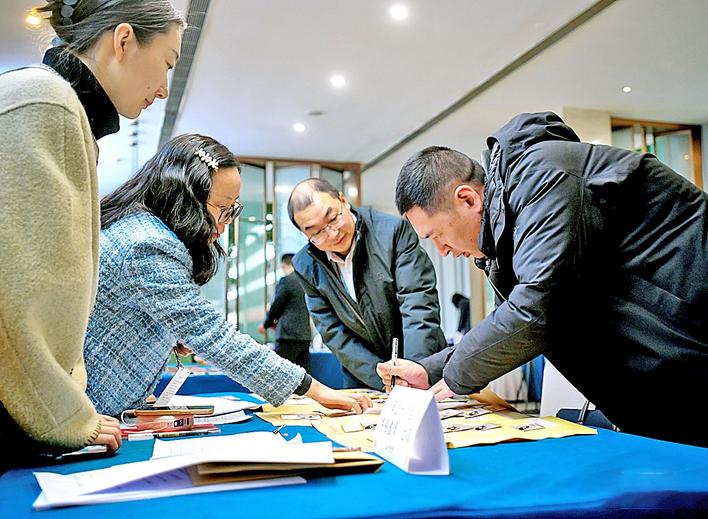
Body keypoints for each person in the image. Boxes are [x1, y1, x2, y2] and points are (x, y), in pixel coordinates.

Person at [378, 112, 708, 447]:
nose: (442, 251)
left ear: (468, 199)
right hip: (673, 373)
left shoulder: (544, 175)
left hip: (692, 340)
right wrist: (432, 370)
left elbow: (535, 309)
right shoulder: (508, 231)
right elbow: (511, 324)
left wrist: (453, 377)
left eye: (436, 235)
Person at [0, 0, 185, 469]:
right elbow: (11, 293)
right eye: (166, 63)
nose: (164, 88)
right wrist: (62, 417)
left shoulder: (64, 113)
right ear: (123, 41)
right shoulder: (46, 101)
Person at [84, 134, 371, 416]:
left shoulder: (139, 228)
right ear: (186, 198)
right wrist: (317, 390)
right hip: (91, 411)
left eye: (232, 209)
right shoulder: (149, 244)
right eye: (222, 209)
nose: (225, 224)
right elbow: (214, 336)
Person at [287, 178, 447, 390]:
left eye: (333, 218)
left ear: (343, 201)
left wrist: (414, 372)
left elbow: (417, 305)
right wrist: (381, 378)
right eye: (316, 232)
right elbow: (334, 332)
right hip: (365, 378)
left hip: (424, 366)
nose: (332, 234)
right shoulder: (305, 265)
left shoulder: (392, 232)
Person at [258, 254, 312, 370]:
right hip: (305, 336)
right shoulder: (306, 281)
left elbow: (277, 306)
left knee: (283, 373)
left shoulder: (287, 281)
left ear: (283, 265)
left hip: (288, 336)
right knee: (303, 374)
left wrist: (266, 325)